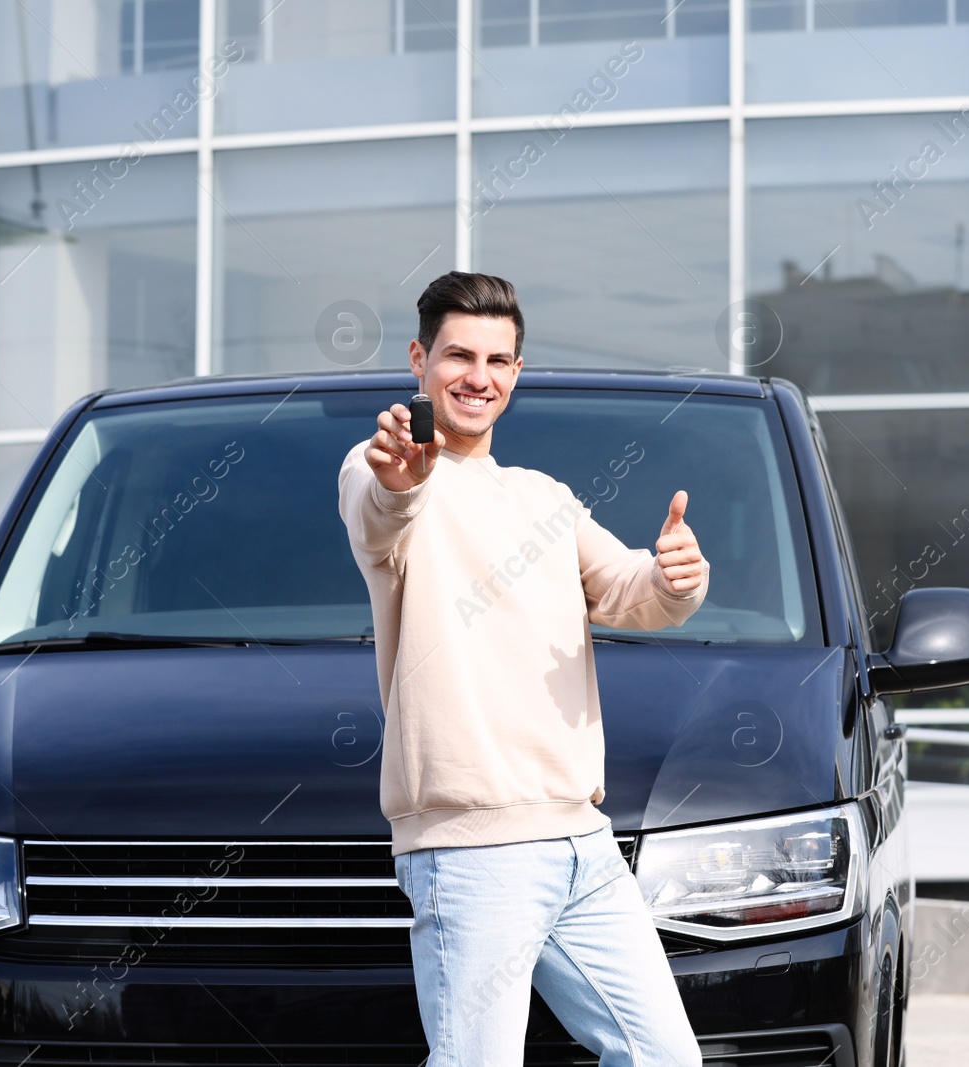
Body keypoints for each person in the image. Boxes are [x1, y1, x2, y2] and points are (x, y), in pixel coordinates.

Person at [337, 271, 709, 1066]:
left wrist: (676, 577)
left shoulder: (545, 498)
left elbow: (628, 589)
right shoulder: (388, 472)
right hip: (471, 853)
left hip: (582, 841)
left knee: (666, 1057)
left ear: (515, 374)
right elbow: (379, 512)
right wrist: (400, 482)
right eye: (460, 355)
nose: (480, 376)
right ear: (419, 358)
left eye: (499, 360)